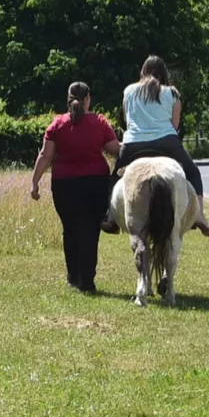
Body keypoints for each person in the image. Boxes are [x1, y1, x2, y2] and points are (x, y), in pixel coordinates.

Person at [104, 55, 209, 236]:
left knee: (114, 177)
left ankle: (110, 217)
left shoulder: (129, 91)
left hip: (134, 143)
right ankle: (199, 216)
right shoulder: (172, 93)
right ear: (163, 73)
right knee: (193, 172)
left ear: (143, 72)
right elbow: (175, 125)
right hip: (166, 141)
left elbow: (127, 119)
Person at [31, 81, 120, 293]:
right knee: (90, 230)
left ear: (68, 98)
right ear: (88, 98)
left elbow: (45, 156)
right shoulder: (99, 122)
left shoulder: (57, 124)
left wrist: (34, 183)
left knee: (70, 229)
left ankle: (73, 277)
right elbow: (114, 149)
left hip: (63, 184)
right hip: (95, 183)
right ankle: (87, 281)